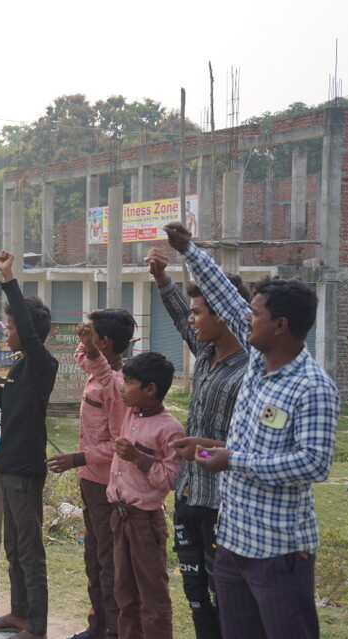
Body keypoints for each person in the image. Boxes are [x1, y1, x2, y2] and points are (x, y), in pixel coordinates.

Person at [163, 221, 339, 639]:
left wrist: (231, 458)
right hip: (233, 541)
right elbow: (223, 294)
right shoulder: (260, 363)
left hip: (278, 551)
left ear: (279, 325)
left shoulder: (312, 386)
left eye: (254, 315)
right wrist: (189, 250)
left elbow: (314, 464)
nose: (245, 320)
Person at [145, 247, 250, 639]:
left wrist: (202, 452)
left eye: (199, 312)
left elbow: (242, 450)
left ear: (224, 313)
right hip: (188, 496)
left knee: (224, 596)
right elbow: (177, 316)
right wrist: (161, 278)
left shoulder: (251, 371)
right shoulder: (205, 351)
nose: (191, 320)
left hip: (222, 504)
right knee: (195, 596)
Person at [0, 250, 58, 639]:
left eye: (9, 325)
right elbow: (3, 400)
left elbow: (25, 323)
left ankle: (36, 626)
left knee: (30, 553)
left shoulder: (42, 363)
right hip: (9, 468)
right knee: (14, 549)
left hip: (24, 470)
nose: (6, 330)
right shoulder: (21, 366)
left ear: (27, 330)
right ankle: (19, 614)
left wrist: (8, 277)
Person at [46, 310, 135, 639]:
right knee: (93, 560)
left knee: (109, 565)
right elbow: (82, 356)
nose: (83, 347)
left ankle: (113, 631)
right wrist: (89, 343)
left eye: (90, 336)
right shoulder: (96, 373)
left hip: (107, 487)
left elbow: (117, 444)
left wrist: (78, 457)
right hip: (89, 483)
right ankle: (97, 626)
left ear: (105, 343)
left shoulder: (119, 388)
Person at [108, 351, 185, 639]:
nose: (122, 388)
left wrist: (139, 458)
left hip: (145, 522)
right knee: (124, 594)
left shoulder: (170, 430)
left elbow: (172, 479)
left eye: (129, 383)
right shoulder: (130, 410)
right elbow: (108, 377)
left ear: (150, 389)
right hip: (121, 516)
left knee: (152, 596)